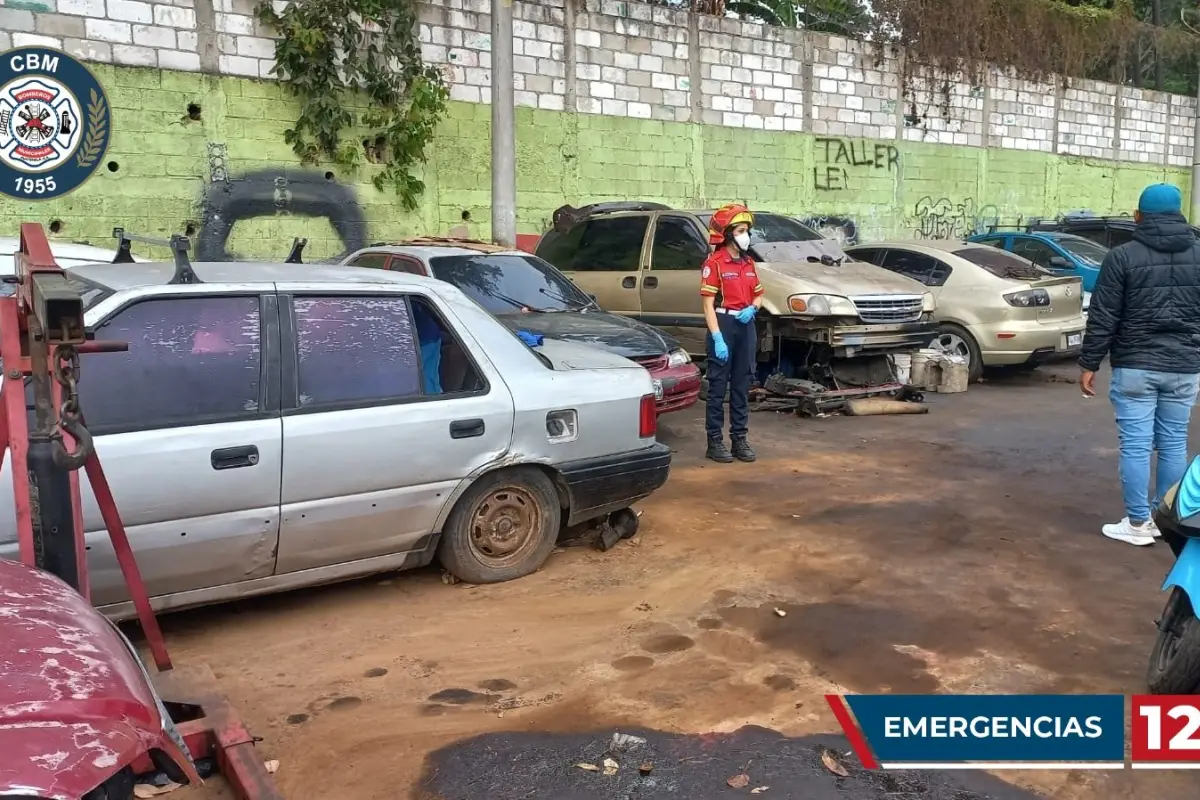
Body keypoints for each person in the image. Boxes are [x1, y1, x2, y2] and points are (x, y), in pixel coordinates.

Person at [1079, 182, 1200, 546]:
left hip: (1136, 365)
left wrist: (1089, 362)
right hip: (1184, 365)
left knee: (1136, 445)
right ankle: (1167, 521)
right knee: (1174, 443)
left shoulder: (1122, 256)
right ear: (1180, 214)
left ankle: (1137, 524)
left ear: (1138, 215)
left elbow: (1104, 315)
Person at [701, 203, 764, 463]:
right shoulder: (714, 263)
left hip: (745, 325)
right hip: (723, 326)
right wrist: (717, 337)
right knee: (717, 388)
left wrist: (753, 308)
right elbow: (707, 304)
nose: (745, 235)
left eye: (746, 230)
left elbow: (759, 295)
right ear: (727, 234)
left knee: (741, 387)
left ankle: (739, 439)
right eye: (740, 230)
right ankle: (714, 441)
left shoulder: (749, 263)